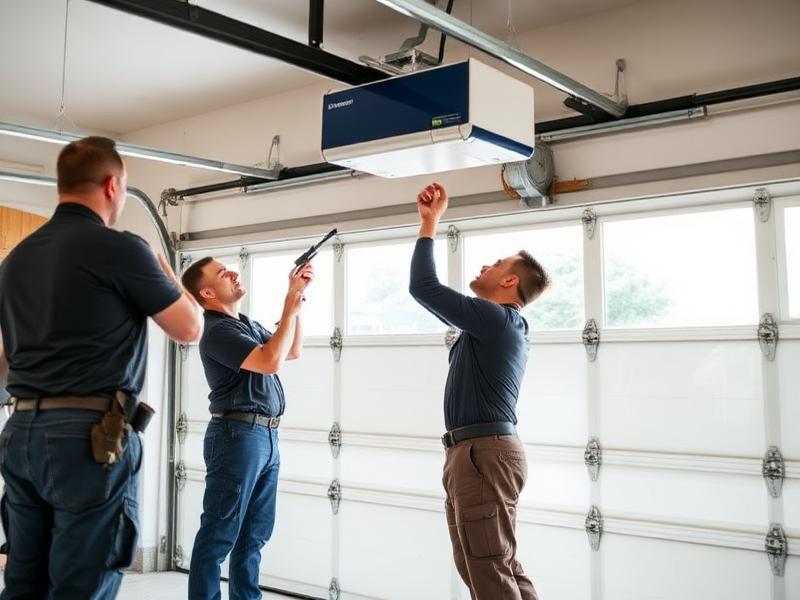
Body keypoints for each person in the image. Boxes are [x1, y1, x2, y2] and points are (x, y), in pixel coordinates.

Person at [0, 136, 203, 599]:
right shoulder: (121, 249)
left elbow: (4, 362)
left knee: (23, 583)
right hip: (91, 440)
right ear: (113, 186)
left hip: (21, 432)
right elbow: (190, 328)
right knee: (83, 583)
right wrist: (165, 270)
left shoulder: (16, 261)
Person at [409, 182, 550, 600]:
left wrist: (430, 222)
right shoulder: (493, 325)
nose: (485, 265)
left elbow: (424, 288)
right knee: (492, 565)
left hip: (482, 454)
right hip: (474, 453)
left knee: (489, 570)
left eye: (496, 263)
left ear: (509, 281)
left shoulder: (498, 319)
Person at [180, 256, 313, 600]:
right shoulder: (219, 331)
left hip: (265, 437)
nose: (234, 272)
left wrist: (295, 302)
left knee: (253, 534)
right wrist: (287, 305)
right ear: (207, 292)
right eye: (223, 273)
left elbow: (290, 351)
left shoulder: (244, 324)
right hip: (237, 437)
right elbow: (269, 362)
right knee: (219, 533)